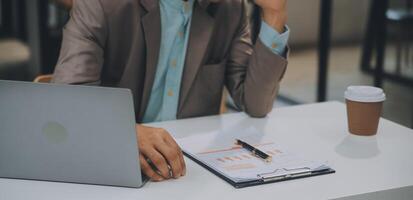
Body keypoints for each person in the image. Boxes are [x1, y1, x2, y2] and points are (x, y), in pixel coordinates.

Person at [52, 0, 289, 182]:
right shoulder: (102, 4)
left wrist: (274, 13)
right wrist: (124, 131)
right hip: (116, 169)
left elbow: (255, 103)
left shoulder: (229, 7)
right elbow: (67, 102)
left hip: (191, 174)